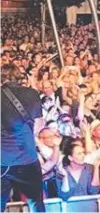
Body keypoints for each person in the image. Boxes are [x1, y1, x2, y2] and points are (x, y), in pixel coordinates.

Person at [1, 64, 46, 212]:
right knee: (35, 202)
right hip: (27, 157)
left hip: (2, 160)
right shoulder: (31, 94)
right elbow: (38, 128)